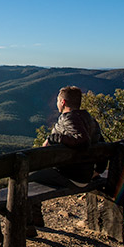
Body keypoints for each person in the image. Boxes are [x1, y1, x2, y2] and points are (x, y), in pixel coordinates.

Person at [28, 85, 104, 232]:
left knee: (25, 176)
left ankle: (31, 222)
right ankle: (34, 219)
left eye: (57, 100)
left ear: (62, 102)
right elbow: (103, 146)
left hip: (73, 176)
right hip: (87, 175)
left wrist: (53, 138)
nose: (56, 103)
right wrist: (98, 170)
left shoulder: (68, 118)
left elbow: (82, 140)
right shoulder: (90, 118)